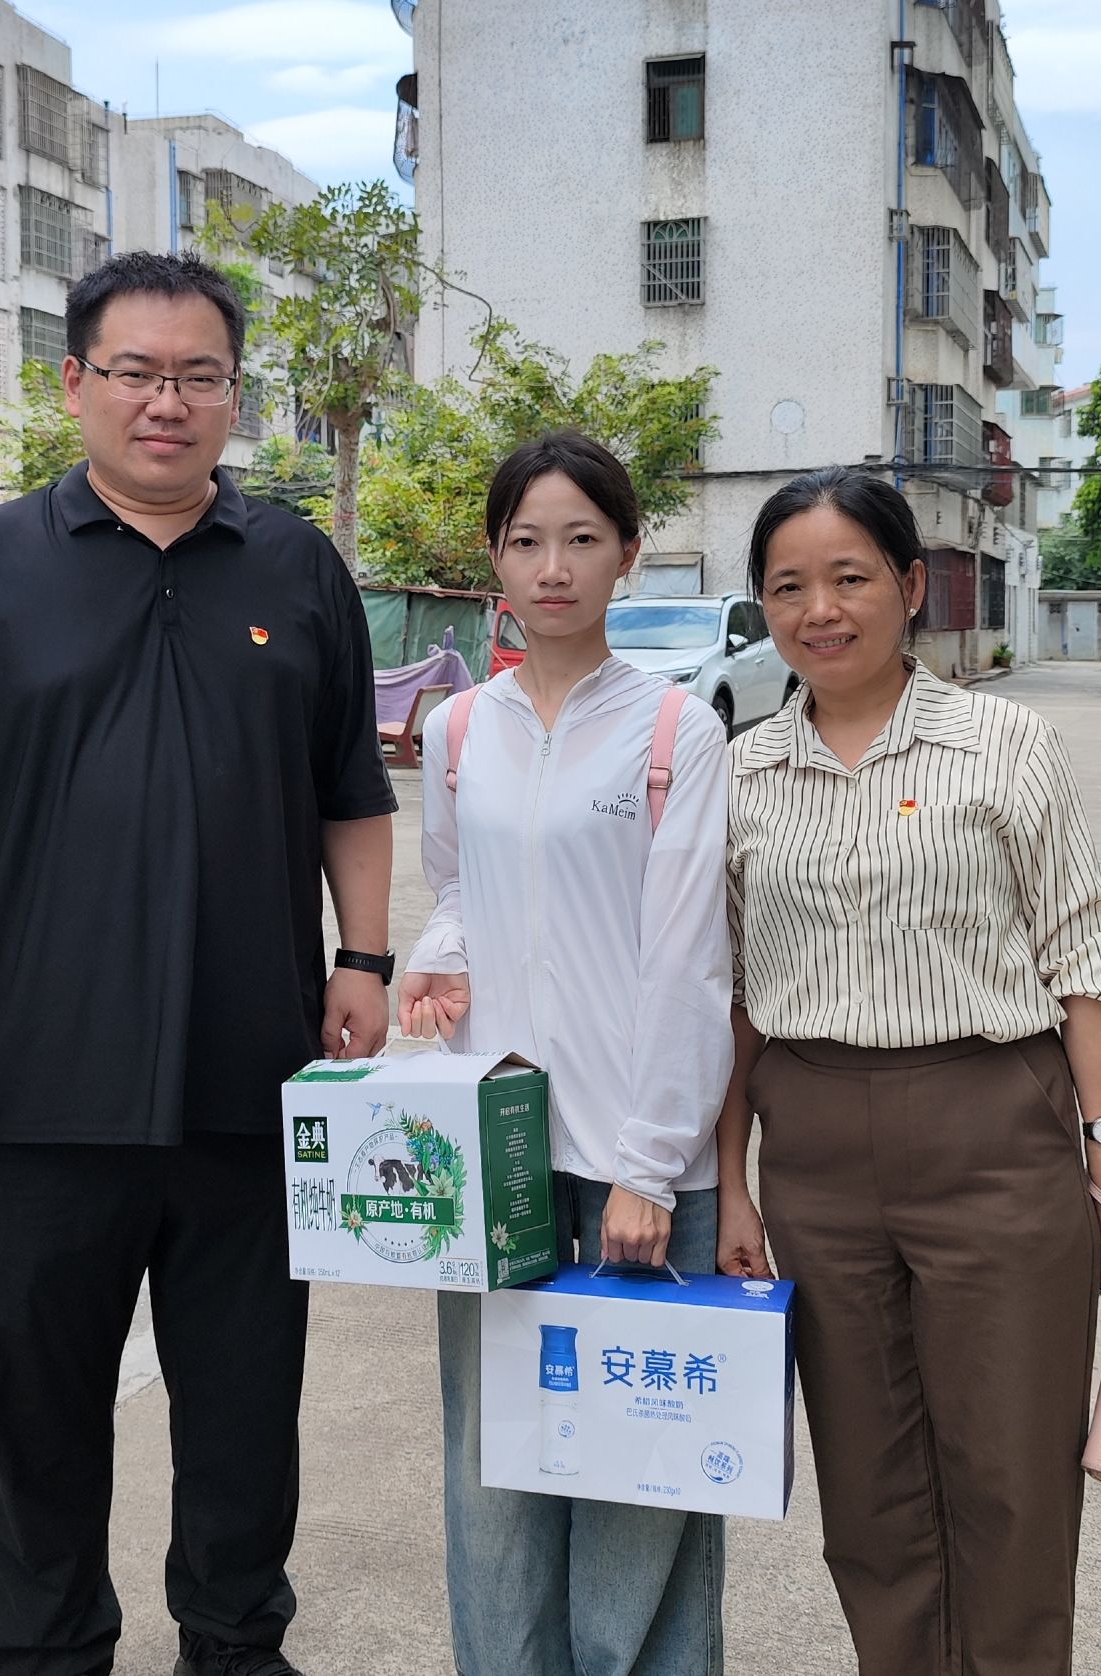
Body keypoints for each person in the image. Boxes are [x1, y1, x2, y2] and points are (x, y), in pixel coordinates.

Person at [0, 251, 397, 1676]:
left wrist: (365, 954)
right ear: (75, 383)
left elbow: (350, 787)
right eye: (137, 372)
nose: (168, 401)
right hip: (35, 1080)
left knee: (245, 1404)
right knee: (37, 1412)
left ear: (233, 395)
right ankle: (48, 1658)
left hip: (250, 1074)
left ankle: (235, 1644)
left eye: (199, 376)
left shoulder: (296, 566)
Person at [713, 467, 1101, 1675]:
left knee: (1009, 1476)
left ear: (910, 586)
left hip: (992, 1137)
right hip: (814, 1159)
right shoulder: (741, 772)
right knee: (869, 1492)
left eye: (848, 577)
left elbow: (1081, 957)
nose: (819, 609)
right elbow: (732, 999)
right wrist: (732, 1183)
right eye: (787, 586)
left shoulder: (1003, 744)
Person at [398, 432, 734, 1676]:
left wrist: (651, 1165)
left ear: (626, 554)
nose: (552, 568)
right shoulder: (456, 728)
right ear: (493, 558)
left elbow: (689, 957)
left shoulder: (674, 729)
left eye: (581, 539)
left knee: (647, 1478)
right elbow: (457, 886)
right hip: (501, 1155)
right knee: (494, 1459)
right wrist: (442, 953)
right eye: (526, 541)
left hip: (641, 1159)